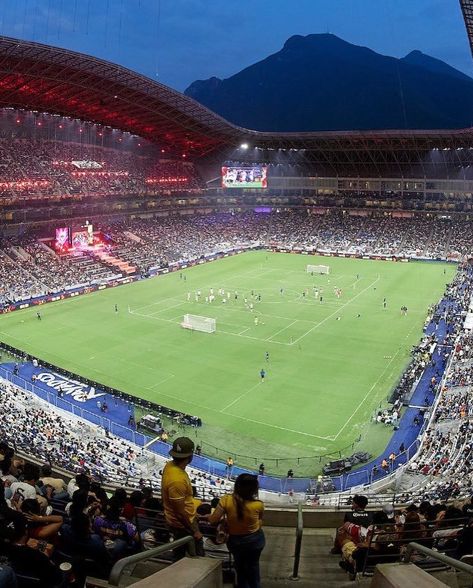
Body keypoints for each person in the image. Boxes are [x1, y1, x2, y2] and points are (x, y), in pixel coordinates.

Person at [207, 474, 265, 588]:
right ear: (254, 489)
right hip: (255, 540)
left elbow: (213, 520)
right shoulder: (259, 505)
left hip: (236, 542)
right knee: (253, 568)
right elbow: (260, 521)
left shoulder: (226, 500)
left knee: (240, 569)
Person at [161, 437, 204, 558]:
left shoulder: (169, 466)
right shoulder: (177, 480)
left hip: (182, 521)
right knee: (196, 554)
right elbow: (179, 513)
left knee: (179, 551)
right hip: (183, 524)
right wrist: (194, 531)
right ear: (190, 457)